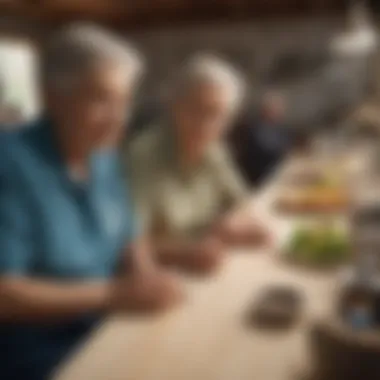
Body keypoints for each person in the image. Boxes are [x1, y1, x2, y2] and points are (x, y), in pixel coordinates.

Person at [0, 24, 182, 380]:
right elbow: (5, 295)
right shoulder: (11, 165)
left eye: (124, 101)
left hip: (106, 329)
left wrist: (144, 271)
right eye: (101, 100)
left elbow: (129, 232)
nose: (119, 118)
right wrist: (113, 294)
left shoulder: (103, 156)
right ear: (51, 97)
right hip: (44, 356)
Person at [125, 55, 270, 274]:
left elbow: (240, 201)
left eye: (216, 114)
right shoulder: (143, 156)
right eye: (195, 110)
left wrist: (231, 224)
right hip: (157, 273)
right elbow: (127, 244)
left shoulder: (214, 149)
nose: (205, 124)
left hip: (206, 263)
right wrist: (183, 253)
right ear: (174, 106)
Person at [229, 91, 292, 187]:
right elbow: (266, 151)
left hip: (275, 173)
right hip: (259, 179)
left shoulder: (277, 127)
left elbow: (286, 145)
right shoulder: (255, 128)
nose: (280, 112)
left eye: (280, 109)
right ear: (264, 110)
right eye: (275, 108)